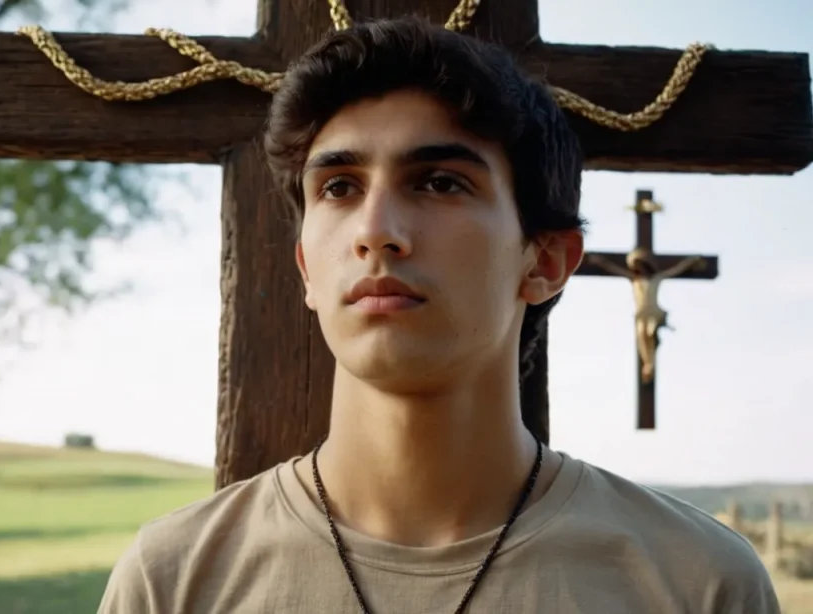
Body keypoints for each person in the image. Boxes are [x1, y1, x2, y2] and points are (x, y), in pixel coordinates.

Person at [97, 17, 779, 614]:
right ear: (306, 267)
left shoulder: (695, 585)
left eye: (440, 182)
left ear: (544, 261)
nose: (377, 230)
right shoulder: (175, 581)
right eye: (338, 187)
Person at [586, 249, 706, 383]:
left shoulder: (656, 278)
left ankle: (651, 359)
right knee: (642, 338)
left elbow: (675, 270)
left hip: (654, 311)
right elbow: (614, 269)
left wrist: (690, 261)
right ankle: (648, 365)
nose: (637, 268)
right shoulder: (634, 280)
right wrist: (600, 262)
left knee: (650, 333)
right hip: (641, 314)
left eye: (639, 264)